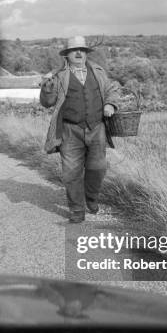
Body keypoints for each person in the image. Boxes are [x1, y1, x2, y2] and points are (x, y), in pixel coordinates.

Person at [40, 36, 121, 223]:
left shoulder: (99, 72)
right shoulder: (58, 76)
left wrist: (110, 104)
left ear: (86, 53)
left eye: (82, 50)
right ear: (67, 55)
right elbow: (47, 103)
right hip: (69, 130)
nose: (78, 53)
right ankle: (77, 209)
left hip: (97, 128)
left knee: (98, 168)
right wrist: (46, 87)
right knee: (71, 173)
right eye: (74, 50)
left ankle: (91, 197)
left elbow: (112, 89)